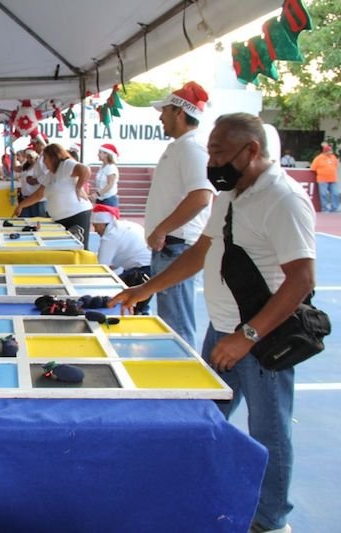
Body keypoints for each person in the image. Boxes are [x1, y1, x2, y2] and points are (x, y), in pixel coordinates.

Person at [110, 113, 315, 533]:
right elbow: (201, 251)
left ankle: (271, 520)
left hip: (261, 339)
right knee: (203, 414)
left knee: (269, 431)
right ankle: (196, 486)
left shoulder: (284, 199)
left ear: (251, 151)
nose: (211, 163)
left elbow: (302, 280)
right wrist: (144, 290)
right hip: (223, 332)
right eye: (210, 152)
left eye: (219, 152)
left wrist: (247, 336)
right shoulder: (231, 194)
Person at [145, 81, 215, 348]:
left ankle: (182, 382)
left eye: (164, 110)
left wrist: (161, 229)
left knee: (176, 327)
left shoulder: (191, 147)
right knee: (170, 322)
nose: (160, 116)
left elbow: (201, 196)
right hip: (170, 247)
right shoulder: (182, 146)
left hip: (175, 247)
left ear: (178, 112)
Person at [13, 143, 93, 249]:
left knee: (79, 249)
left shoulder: (66, 164)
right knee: (64, 249)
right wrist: (21, 205)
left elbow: (85, 170)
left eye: (45, 158)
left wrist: (78, 187)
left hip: (76, 214)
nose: (44, 161)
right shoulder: (50, 174)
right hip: (59, 218)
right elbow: (38, 195)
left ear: (54, 157)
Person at [91, 204, 151, 314]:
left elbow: (100, 268)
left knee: (121, 301)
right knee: (139, 303)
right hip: (146, 268)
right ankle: (143, 311)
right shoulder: (124, 226)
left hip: (140, 272)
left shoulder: (110, 237)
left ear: (103, 224)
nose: (95, 231)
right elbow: (127, 250)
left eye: (96, 226)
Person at [310, 142, 338, 212]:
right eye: (330, 151)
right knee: (323, 194)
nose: (331, 152)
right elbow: (313, 168)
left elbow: (336, 165)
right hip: (322, 179)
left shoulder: (333, 157)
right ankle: (325, 208)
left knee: (335, 193)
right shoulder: (318, 158)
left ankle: (334, 208)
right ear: (326, 152)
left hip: (333, 179)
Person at [18, 149, 45, 217]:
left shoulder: (39, 165)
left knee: (37, 222)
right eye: (27, 157)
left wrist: (32, 180)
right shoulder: (26, 166)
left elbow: (42, 179)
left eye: (31, 157)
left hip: (36, 200)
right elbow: (16, 168)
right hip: (26, 198)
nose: (29, 159)